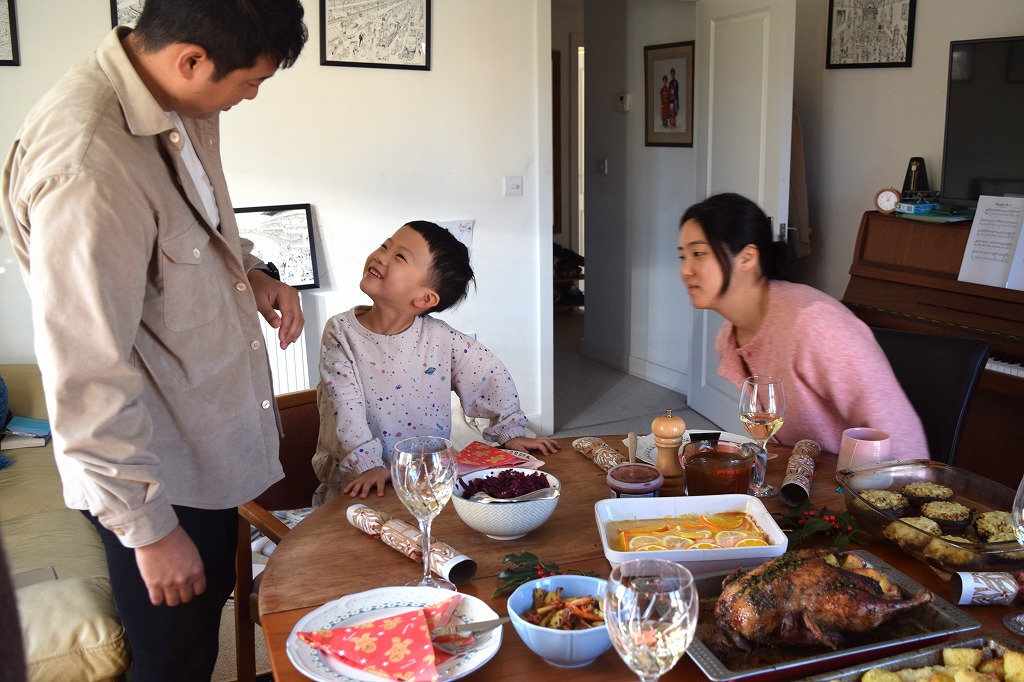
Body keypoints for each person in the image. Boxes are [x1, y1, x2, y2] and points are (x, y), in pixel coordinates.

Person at [0, 2, 308, 679]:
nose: (251, 97)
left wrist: (254, 273)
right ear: (191, 60)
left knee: (199, 633)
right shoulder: (87, 165)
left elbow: (195, 229)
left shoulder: (174, 105)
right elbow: (85, 371)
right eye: (251, 82)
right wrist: (150, 530)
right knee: (172, 659)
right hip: (158, 469)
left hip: (204, 444)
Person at [313, 221, 559, 503]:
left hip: (425, 480)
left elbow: (489, 374)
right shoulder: (341, 332)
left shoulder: (441, 338)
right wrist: (367, 464)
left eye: (399, 256)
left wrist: (509, 431)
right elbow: (343, 404)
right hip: (361, 483)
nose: (381, 256)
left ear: (425, 298)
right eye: (385, 245)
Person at [678, 193, 928, 457]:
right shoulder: (728, 340)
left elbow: (901, 436)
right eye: (683, 256)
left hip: (861, 480)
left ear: (747, 257)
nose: (685, 270)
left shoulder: (814, 324)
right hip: (803, 474)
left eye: (698, 253)